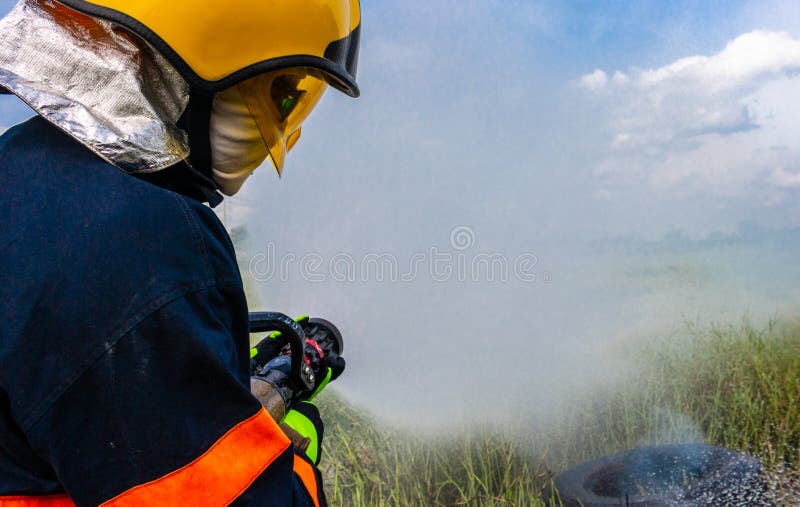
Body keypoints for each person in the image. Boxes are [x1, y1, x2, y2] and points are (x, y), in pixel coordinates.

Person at [0, 0, 360, 505]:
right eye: (281, 94)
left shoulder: (18, 166)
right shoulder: (139, 247)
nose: (284, 132)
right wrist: (292, 458)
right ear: (204, 59)